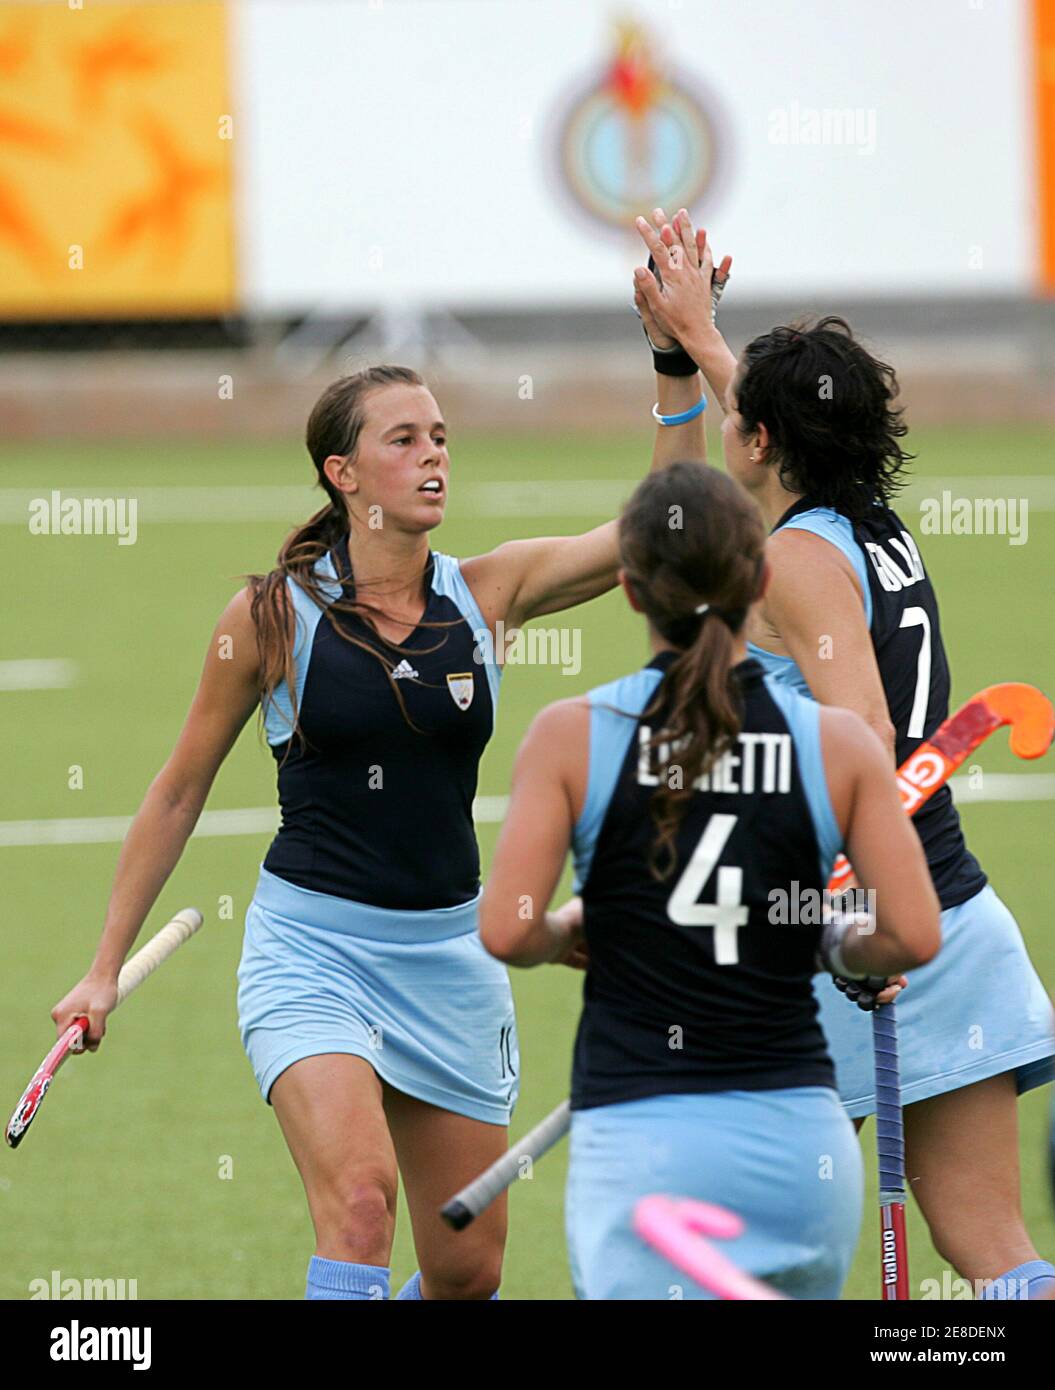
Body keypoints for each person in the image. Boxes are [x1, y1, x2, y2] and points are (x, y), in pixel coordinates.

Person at [49, 361, 706, 1302]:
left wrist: (676, 368)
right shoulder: (270, 615)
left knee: (466, 1271)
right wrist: (103, 966)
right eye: (401, 440)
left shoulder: (488, 593)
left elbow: (663, 527)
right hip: (311, 952)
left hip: (451, 958)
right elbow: (178, 792)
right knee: (362, 1204)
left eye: (438, 436)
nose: (432, 455)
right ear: (341, 473)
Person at [634, 208, 1055, 1299]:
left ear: (760, 443)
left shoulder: (792, 563)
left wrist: (841, 907)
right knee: (993, 1252)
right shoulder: (864, 521)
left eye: (743, 420)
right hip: (949, 917)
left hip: (844, 930)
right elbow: (748, 437)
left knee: (728, 1251)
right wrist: (692, 340)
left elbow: (863, 734)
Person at [480, 461, 940, 1299]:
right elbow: (910, 933)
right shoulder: (834, 742)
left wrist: (568, 931)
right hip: (801, 1149)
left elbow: (508, 929)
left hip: (646, 1146)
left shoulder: (571, 734)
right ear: (761, 579)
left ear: (627, 589)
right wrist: (830, 936)